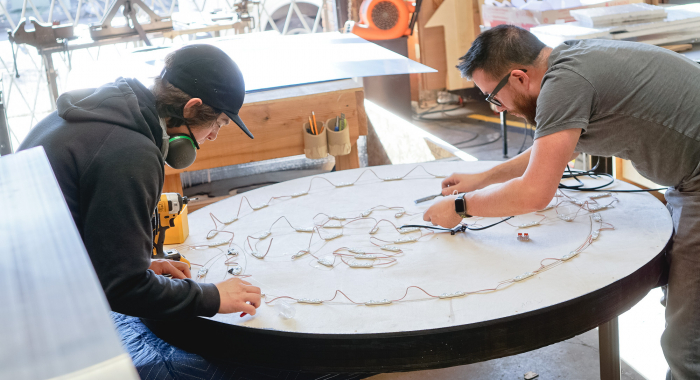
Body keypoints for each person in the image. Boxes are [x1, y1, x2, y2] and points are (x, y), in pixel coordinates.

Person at [422, 25, 700, 380]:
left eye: (494, 97)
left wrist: (462, 206)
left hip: (697, 181)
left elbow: (535, 193)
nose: (498, 111)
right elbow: (551, 151)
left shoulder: (563, 86)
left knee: (686, 345)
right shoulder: (570, 59)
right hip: (689, 176)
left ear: (520, 77)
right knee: (685, 309)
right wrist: (483, 178)